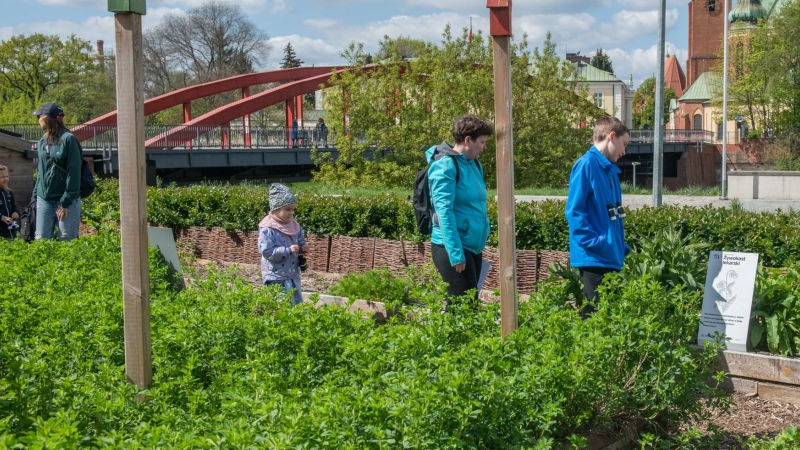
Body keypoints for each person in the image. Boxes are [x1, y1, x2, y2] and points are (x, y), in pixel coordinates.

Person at [565, 116, 631, 317]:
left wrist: (620, 245)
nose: (624, 151)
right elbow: (574, 210)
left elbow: (613, 212)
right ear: (611, 136)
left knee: (607, 314)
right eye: (624, 144)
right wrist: (596, 242)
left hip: (609, 254)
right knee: (594, 315)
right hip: (595, 256)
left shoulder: (610, 170)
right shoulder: (586, 165)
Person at [428, 114, 494, 305]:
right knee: (463, 308)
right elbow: (444, 213)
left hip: (472, 245)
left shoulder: (474, 165)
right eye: (481, 142)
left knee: (467, 305)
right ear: (467, 140)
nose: (484, 147)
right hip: (452, 247)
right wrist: (456, 254)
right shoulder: (445, 167)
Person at [33, 102, 82, 241]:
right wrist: (34, 197)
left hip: (66, 200)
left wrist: (65, 202)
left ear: (47, 118)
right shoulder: (42, 141)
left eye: (39, 117)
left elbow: (74, 174)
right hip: (45, 199)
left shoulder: (69, 139)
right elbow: (41, 171)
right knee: (41, 240)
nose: (37, 120)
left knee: (67, 240)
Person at [258, 183, 308, 305]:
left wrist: (302, 247)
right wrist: (288, 250)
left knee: (296, 303)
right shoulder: (267, 229)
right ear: (275, 209)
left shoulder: (293, 224)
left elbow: (299, 239)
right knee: (280, 305)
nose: (291, 213)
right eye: (287, 209)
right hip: (275, 275)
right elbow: (267, 252)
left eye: (292, 209)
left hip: (292, 273)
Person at [0, 164, 20, 240]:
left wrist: (16, 212)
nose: (5, 179)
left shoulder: (9, 192)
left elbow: (14, 206)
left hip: (10, 231)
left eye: (7, 176)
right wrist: (2, 217)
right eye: (2, 177)